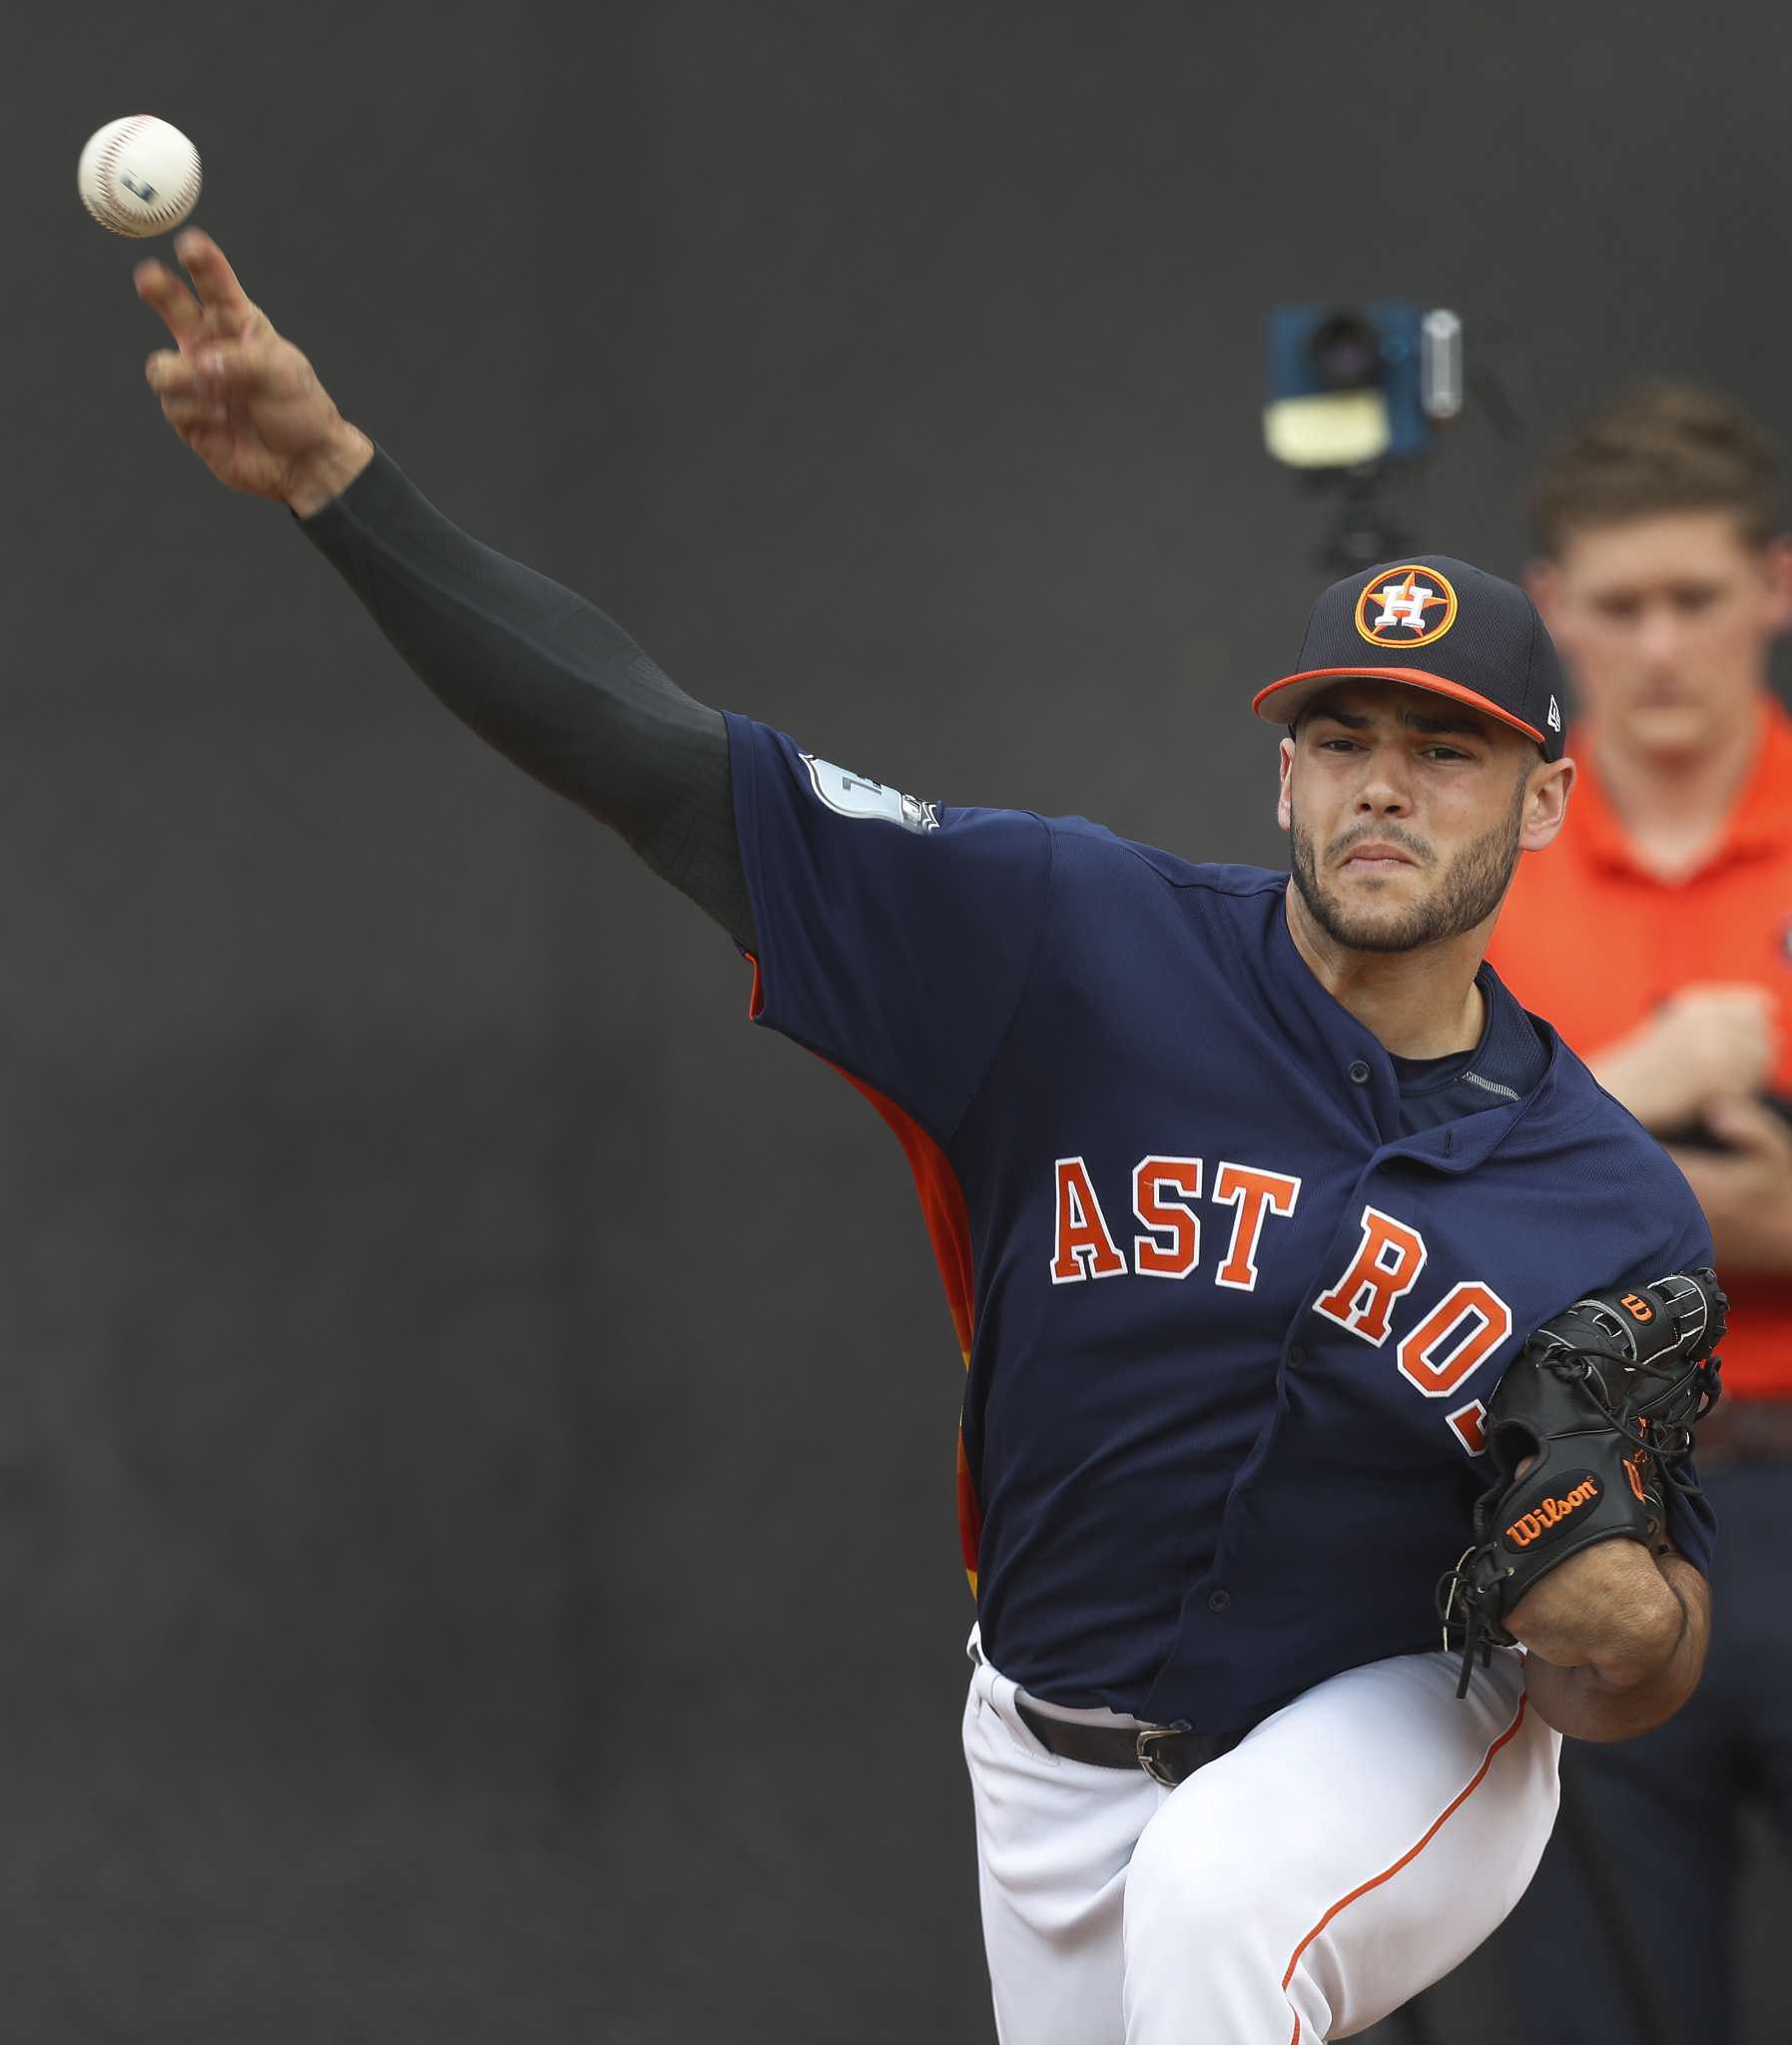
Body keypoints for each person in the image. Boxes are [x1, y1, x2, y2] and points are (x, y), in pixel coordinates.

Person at [131, 230, 1719, 2045]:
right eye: (1343, 735)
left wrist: (1624, 1619)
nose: (1383, 782)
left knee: (1218, 1907)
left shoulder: (1604, 1196)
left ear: (1546, 795)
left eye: (1445, 750)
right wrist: (342, 485)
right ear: (1281, 771)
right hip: (1046, 1744)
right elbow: (653, 760)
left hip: (1400, 1723)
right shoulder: (1065, 943)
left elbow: (1637, 1665)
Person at [1478, 382, 1792, 2044]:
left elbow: (1493, 1182)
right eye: (1618, 607)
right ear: (1556, 612)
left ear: (1775, 587)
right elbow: (1380, 1204)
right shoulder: (1477, 860)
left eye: (1695, 597)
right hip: (1588, 1513)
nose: (1660, 647)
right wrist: (1642, 1081)